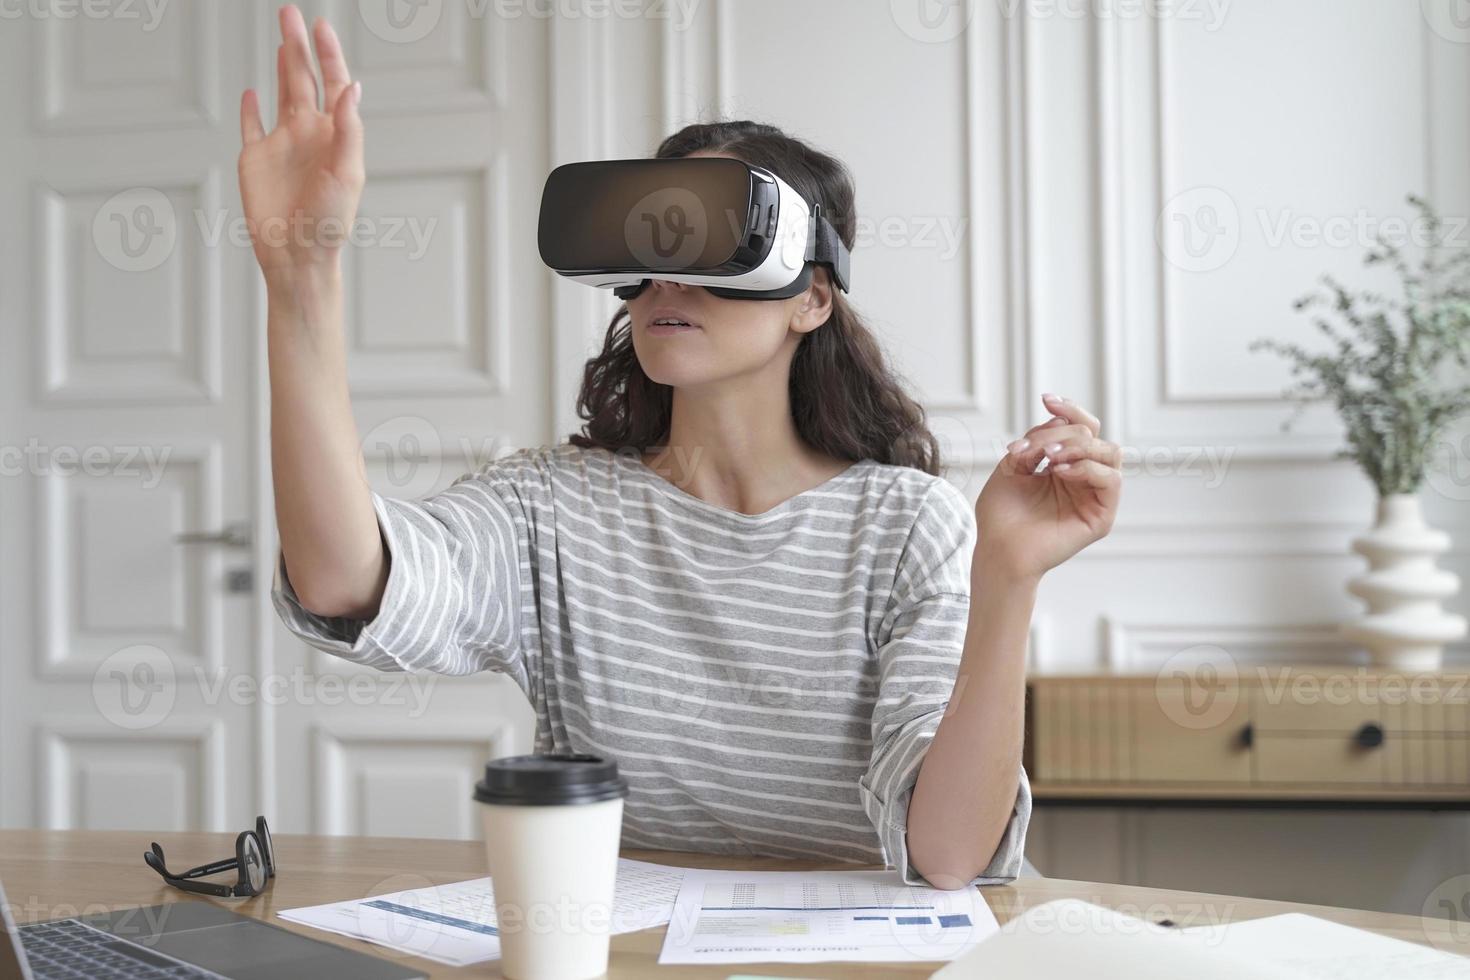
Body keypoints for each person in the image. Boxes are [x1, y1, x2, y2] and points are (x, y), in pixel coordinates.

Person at [242, 5, 1123, 889]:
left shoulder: (903, 525)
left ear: (811, 297)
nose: (667, 277)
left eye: (707, 240)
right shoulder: (554, 510)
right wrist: (301, 284)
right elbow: (344, 580)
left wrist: (1006, 581)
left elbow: (948, 855)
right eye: (650, 238)